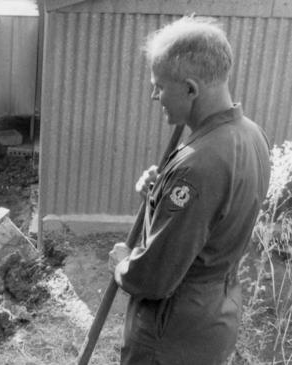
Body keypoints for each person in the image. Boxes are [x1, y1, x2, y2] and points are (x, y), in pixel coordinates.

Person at [108, 16, 271, 365]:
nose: (154, 96)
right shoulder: (251, 136)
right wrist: (158, 195)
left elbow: (155, 277)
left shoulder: (199, 164)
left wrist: (122, 264)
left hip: (170, 337)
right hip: (215, 319)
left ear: (191, 89)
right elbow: (212, 222)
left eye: (159, 86)